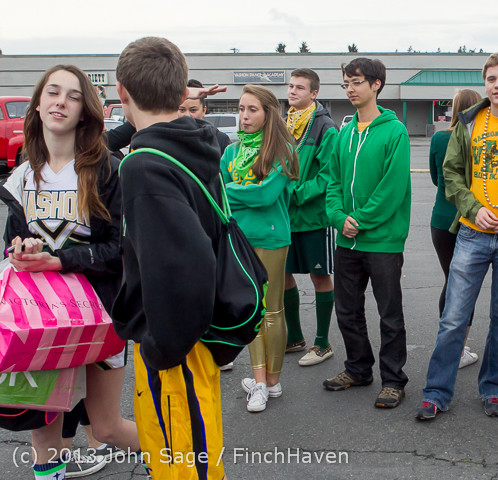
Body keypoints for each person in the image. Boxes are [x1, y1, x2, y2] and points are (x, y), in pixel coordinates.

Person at [0, 64, 140, 480]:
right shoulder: (23, 174)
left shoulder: (107, 168)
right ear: (37, 104)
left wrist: (61, 260)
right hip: (42, 320)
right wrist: (22, 250)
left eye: (73, 96)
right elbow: (12, 242)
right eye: (53, 92)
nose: (61, 101)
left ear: (84, 112)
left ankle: (182, 461)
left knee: (107, 427)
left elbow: (122, 250)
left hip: (100, 316)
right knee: (44, 434)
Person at [111, 37, 226, 479]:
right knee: (200, 453)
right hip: (201, 337)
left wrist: (162, 350)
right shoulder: (197, 141)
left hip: (175, 345)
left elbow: (185, 267)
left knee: (181, 464)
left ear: (122, 91)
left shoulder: (143, 165)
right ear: (182, 93)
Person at [415, 52, 498, 421]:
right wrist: (473, 209)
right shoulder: (469, 122)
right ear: (485, 84)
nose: (497, 85)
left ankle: (493, 389)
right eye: (491, 79)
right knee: (454, 318)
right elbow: (451, 173)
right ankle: (436, 393)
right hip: (472, 234)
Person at [323, 58, 411, 409]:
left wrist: (357, 218)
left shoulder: (395, 131)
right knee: (347, 311)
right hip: (347, 239)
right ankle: (358, 369)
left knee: (389, 313)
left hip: (382, 240)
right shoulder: (344, 133)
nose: (350, 88)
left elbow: (392, 189)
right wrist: (337, 217)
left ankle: (393, 380)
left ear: (376, 84)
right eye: (346, 82)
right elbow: (332, 181)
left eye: (356, 82)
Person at [220, 85, 299, 412]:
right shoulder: (231, 152)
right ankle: (260, 381)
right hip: (238, 238)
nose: (244, 116)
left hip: (271, 238)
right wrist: (237, 192)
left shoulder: (283, 149)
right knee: (252, 310)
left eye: (252, 109)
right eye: (241, 109)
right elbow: (218, 194)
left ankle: (272, 380)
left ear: (268, 113)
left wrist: (231, 189)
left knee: (272, 311)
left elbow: (266, 195)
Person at [282, 68, 339, 366]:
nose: (292, 91)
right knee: (282, 274)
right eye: (291, 86)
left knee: (319, 276)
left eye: (300, 87)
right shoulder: (285, 124)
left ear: (314, 93)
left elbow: (329, 176)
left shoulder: (326, 127)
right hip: (285, 217)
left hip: (314, 218)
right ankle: (294, 337)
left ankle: (322, 343)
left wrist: (295, 193)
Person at [429, 88, 481, 370]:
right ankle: (457, 349)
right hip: (469, 219)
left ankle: (449, 345)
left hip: (440, 219)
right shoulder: (478, 139)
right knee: (464, 286)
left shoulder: (439, 138)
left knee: (451, 281)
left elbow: (436, 178)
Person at [179, 78, 232, 155]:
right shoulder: (168, 139)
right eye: (182, 110)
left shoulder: (220, 140)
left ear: (204, 110)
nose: (187, 115)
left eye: (193, 110)